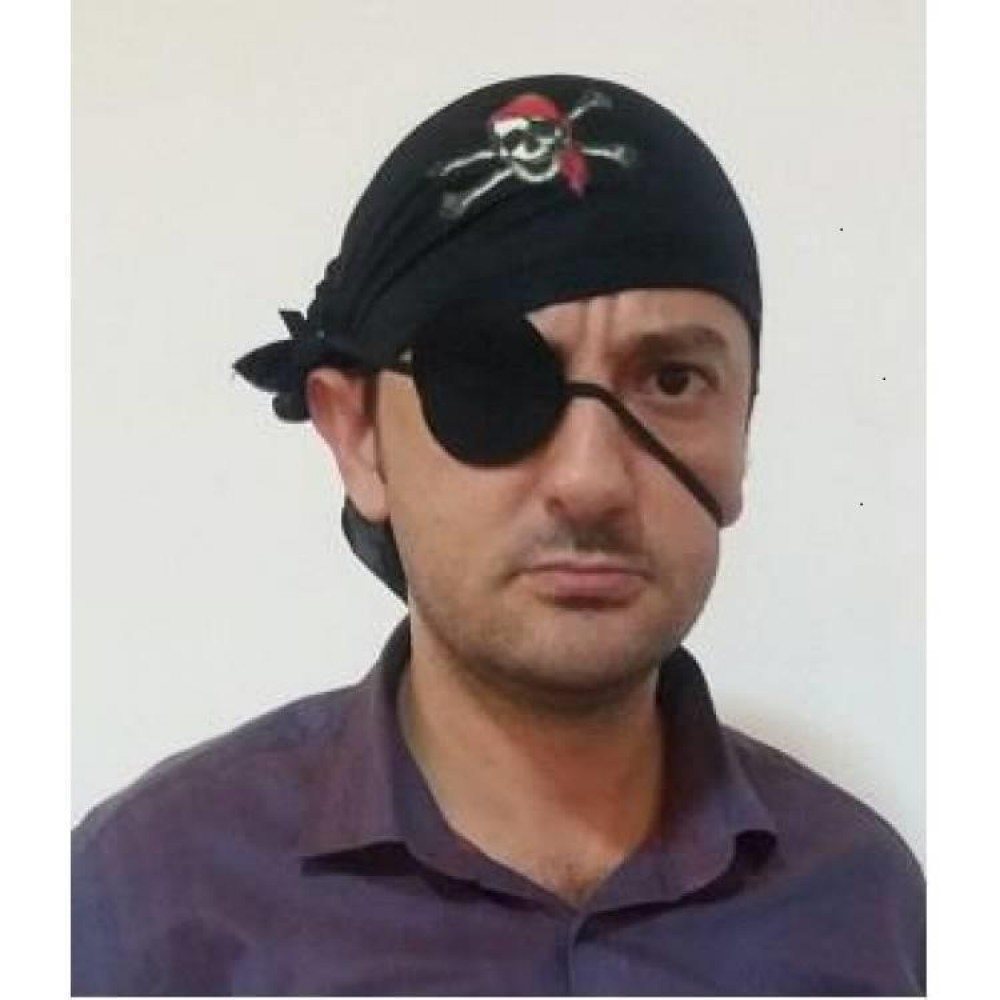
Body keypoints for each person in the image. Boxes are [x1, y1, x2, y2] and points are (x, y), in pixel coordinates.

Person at [72, 74, 925, 996]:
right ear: (357, 439)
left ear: (741, 434)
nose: (590, 482)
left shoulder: (871, 911)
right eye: (489, 380)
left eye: (674, 381)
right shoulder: (138, 902)